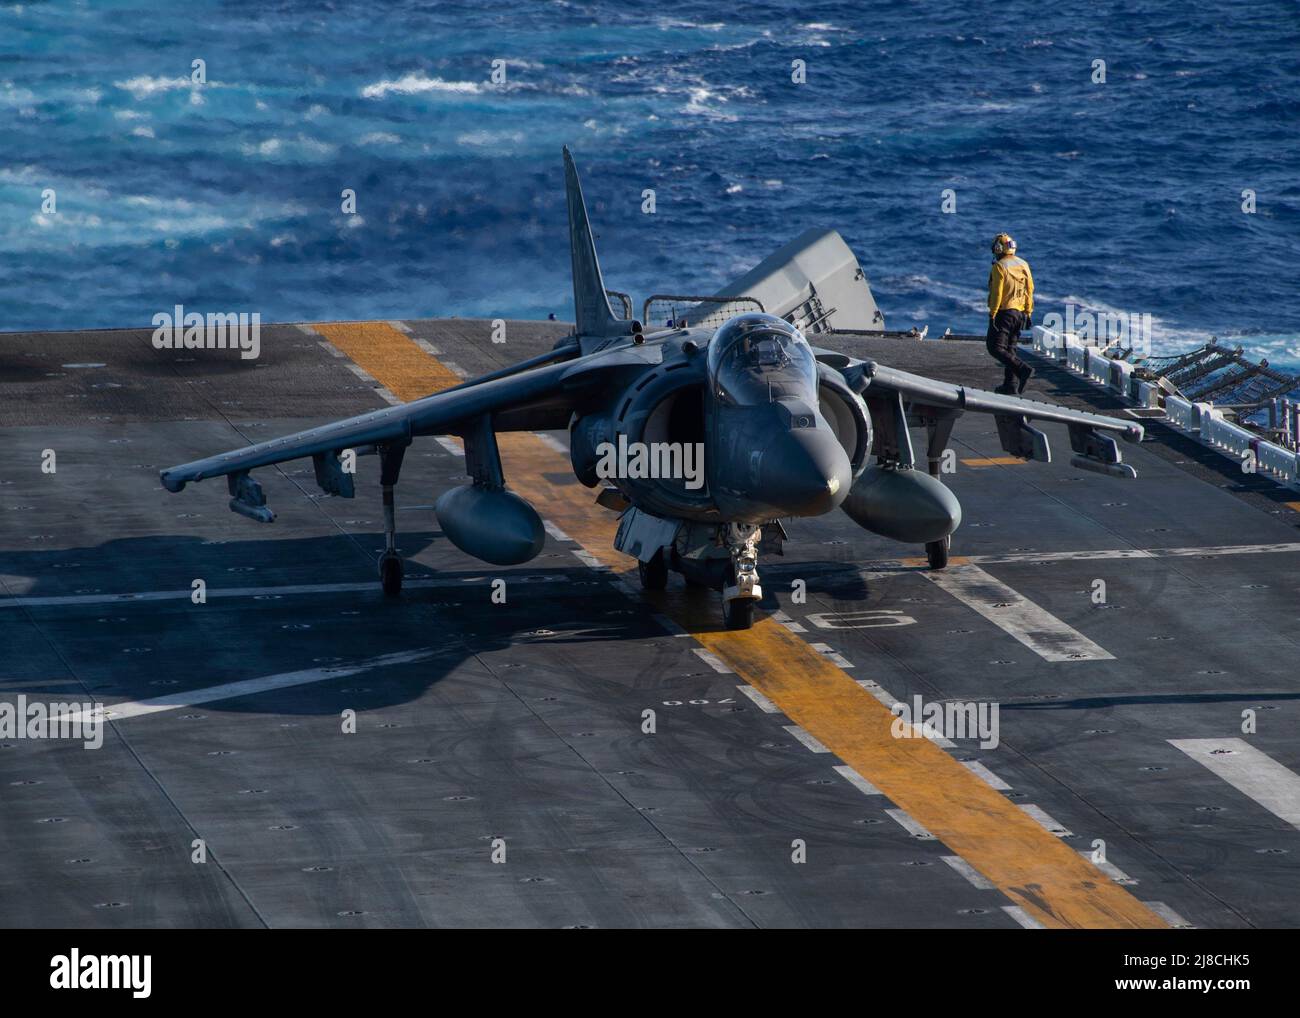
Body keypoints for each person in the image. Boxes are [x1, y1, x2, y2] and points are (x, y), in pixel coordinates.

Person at [986, 233, 1034, 393]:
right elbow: (1030, 289)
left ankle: (1022, 369)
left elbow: (997, 292)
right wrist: (1028, 311)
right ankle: (1010, 385)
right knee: (1010, 348)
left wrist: (993, 313)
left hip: (1004, 312)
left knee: (995, 347)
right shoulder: (1023, 264)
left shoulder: (999, 267)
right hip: (1020, 314)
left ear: (999, 248)